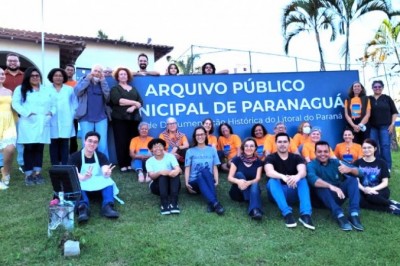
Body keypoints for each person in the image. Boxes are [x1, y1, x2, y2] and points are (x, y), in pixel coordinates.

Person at [306, 141, 364, 231]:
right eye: (319, 151)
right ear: (315, 153)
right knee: (321, 186)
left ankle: (354, 214)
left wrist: (350, 169)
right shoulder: (311, 165)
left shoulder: (336, 162)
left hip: (338, 196)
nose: (323, 154)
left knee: (352, 180)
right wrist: (331, 186)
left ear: (329, 152)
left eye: (325, 151)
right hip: (320, 200)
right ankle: (339, 215)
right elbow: (313, 180)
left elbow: (360, 173)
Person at [12, 67, 55, 186]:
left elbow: (53, 105)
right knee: (29, 148)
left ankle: (37, 173)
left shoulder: (46, 90)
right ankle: (28, 174)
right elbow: (15, 103)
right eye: (32, 75)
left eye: (37, 75)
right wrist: (27, 113)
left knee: (39, 148)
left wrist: (51, 113)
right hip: (28, 123)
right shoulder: (21, 89)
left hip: (43, 122)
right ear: (28, 77)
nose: (35, 77)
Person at [265, 133, 314, 229]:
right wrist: (282, 176)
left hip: (293, 190)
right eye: (279, 142)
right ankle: (287, 214)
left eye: (285, 142)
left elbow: (303, 171)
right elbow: (269, 172)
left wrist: (297, 176)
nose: (282, 144)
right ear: (275, 144)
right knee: (272, 180)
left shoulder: (296, 157)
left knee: (302, 179)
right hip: (276, 193)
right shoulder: (270, 157)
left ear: (289, 144)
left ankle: (306, 215)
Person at [68, 131, 120, 223]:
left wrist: (107, 173)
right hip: (82, 181)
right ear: (84, 141)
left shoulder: (101, 156)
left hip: (96, 182)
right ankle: (83, 208)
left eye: (95, 142)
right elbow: (74, 174)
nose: (92, 144)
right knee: (75, 183)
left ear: (98, 144)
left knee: (108, 181)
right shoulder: (75, 156)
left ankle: (107, 206)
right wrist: (84, 177)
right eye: (90, 141)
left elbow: (104, 168)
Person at [184, 126, 225, 215]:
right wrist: (187, 184)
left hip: (208, 179)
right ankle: (215, 203)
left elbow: (214, 167)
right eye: (197, 135)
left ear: (206, 135)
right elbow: (187, 168)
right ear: (195, 137)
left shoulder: (212, 150)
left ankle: (213, 203)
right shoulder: (190, 151)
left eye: (202, 134)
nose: (200, 136)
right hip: (194, 183)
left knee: (205, 171)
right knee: (200, 176)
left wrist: (217, 180)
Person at [353, 139, 400, 215]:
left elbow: (385, 183)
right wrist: (364, 189)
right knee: (360, 202)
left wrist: (372, 189)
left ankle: (390, 203)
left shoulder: (382, 163)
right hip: (362, 190)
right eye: (364, 148)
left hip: (380, 190)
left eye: (369, 147)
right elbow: (356, 180)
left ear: (375, 149)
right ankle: (390, 207)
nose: (366, 150)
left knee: (371, 197)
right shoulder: (357, 163)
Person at [110, 67, 143, 172]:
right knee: (121, 141)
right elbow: (118, 101)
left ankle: (130, 163)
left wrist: (134, 107)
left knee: (131, 141)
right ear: (117, 77)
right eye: (121, 74)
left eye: (125, 74)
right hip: (119, 119)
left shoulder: (133, 89)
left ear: (128, 76)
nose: (123, 76)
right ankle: (123, 164)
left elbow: (140, 101)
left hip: (133, 119)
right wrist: (134, 103)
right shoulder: (115, 89)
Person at [74, 64, 110, 158]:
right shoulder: (83, 79)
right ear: (91, 71)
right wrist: (87, 79)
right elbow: (77, 92)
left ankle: (104, 165)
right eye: (95, 71)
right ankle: (86, 164)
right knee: (87, 143)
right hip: (85, 117)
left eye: (99, 71)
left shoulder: (103, 82)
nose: (97, 73)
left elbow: (108, 97)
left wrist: (103, 82)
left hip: (101, 117)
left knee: (102, 143)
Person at [227, 137, 263, 220]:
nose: (249, 148)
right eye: (246, 146)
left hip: (253, 189)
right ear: (243, 148)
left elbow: (257, 178)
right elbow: (230, 178)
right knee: (239, 174)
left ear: (255, 148)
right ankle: (250, 199)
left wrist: (248, 183)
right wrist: (238, 181)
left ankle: (254, 211)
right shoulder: (236, 160)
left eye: (251, 146)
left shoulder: (259, 162)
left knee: (255, 183)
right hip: (238, 192)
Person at [47, 68, 77, 165]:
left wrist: (72, 114)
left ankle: (64, 164)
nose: (58, 78)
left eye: (60, 76)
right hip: (52, 119)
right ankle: (55, 164)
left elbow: (74, 104)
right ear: (52, 77)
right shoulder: (46, 89)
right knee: (53, 143)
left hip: (66, 119)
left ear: (63, 77)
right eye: (56, 75)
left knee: (65, 143)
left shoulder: (69, 89)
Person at [146, 138, 181, 215]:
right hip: (157, 187)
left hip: (172, 185)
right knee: (162, 176)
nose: (158, 148)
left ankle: (174, 203)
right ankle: (164, 203)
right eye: (155, 147)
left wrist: (173, 171)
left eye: (160, 146)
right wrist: (160, 172)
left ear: (164, 148)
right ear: (151, 150)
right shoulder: (149, 161)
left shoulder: (170, 156)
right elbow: (152, 176)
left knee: (175, 173)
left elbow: (178, 169)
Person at [368, 80, 398, 170]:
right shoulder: (369, 99)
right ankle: (375, 166)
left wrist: (392, 124)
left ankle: (386, 167)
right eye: (375, 87)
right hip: (372, 127)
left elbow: (395, 112)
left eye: (379, 86)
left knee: (385, 147)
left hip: (385, 127)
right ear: (372, 88)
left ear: (382, 87)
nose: (377, 88)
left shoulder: (387, 98)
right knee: (373, 147)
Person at [3, 53, 24, 172]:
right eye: (10, 60)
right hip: (4, 113)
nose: (12, 63)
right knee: (3, 139)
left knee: (21, 140)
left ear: (19, 63)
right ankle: (2, 164)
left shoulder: (25, 76)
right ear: (6, 62)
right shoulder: (2, 75)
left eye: (15, 61)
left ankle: (22, 163)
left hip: (20, 114)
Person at [0, 68, 16, 190]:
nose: (1, 76)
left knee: (9, 149)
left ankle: (6, 172)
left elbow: (13, 108)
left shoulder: (9, 91)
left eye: (2, 74)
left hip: (9, 123)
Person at [64, 64, 79, 154]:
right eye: (68, 69)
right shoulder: (61, 83)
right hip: (62, 113)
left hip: (73, 113)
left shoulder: (76, 84)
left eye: (71, 70)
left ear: (74, 72)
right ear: (64, 70)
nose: (69, 71)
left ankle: (73, 153)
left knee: (74, 135)